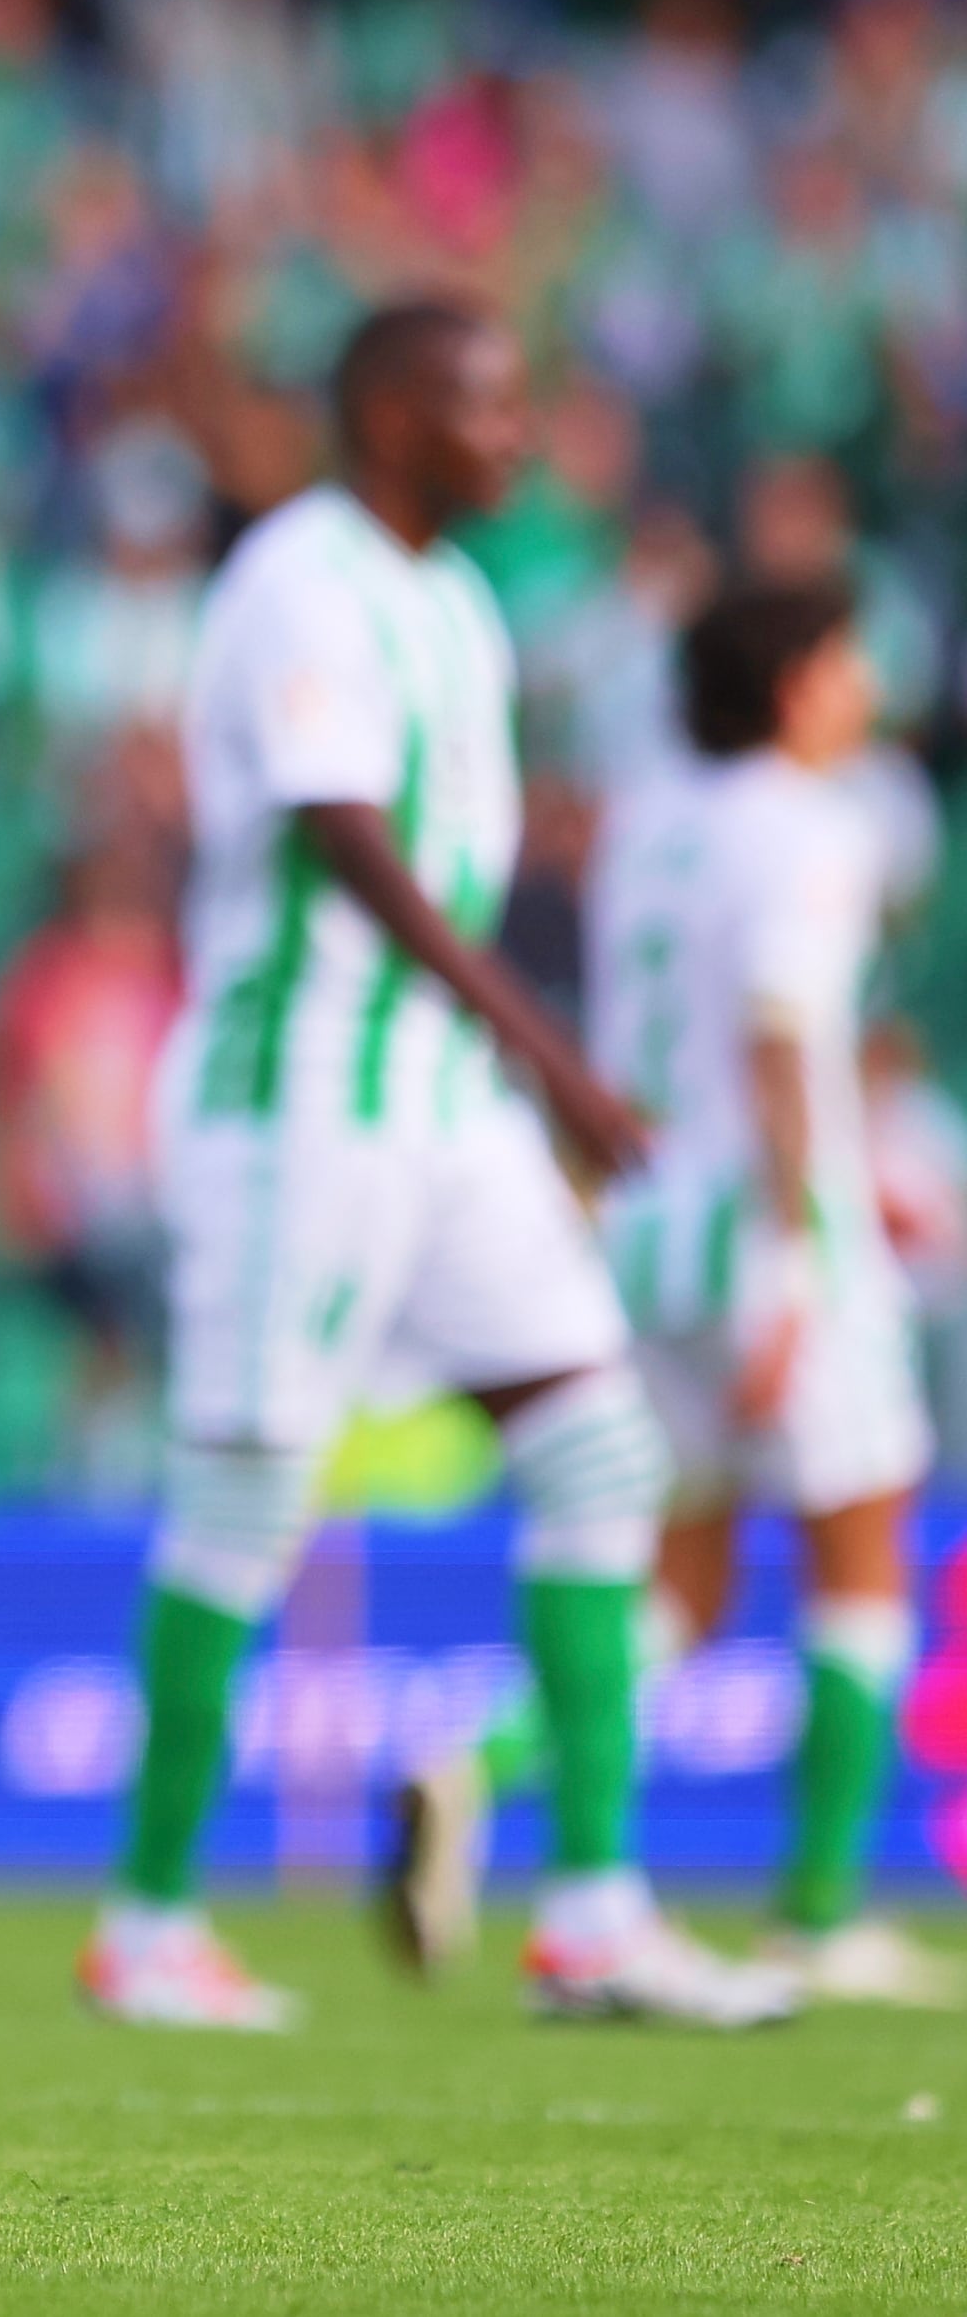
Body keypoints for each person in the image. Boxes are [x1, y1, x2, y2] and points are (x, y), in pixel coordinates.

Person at [79, 300, 798, 2032]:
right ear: (390, 413)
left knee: (605, 1455)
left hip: (439, 1107)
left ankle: (595, 1914)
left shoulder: (454, 600)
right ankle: (148, 1924)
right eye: (484, 401)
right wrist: (551, 1052)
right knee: (249, 1492)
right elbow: (349, 842)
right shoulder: (300, 579)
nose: (516, 433)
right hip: (301, 1094)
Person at [444, 579, 950, 2006]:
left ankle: (478, 1762)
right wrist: (797, 1254)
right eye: (848, 661)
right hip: (769, 1232)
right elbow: (784, 1033)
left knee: (686, 1574)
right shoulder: (812, 827)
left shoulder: (651, 823)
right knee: (862, 1550)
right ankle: (818, 1910)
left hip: (648, 1229)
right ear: (793, 683)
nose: (864, 688)